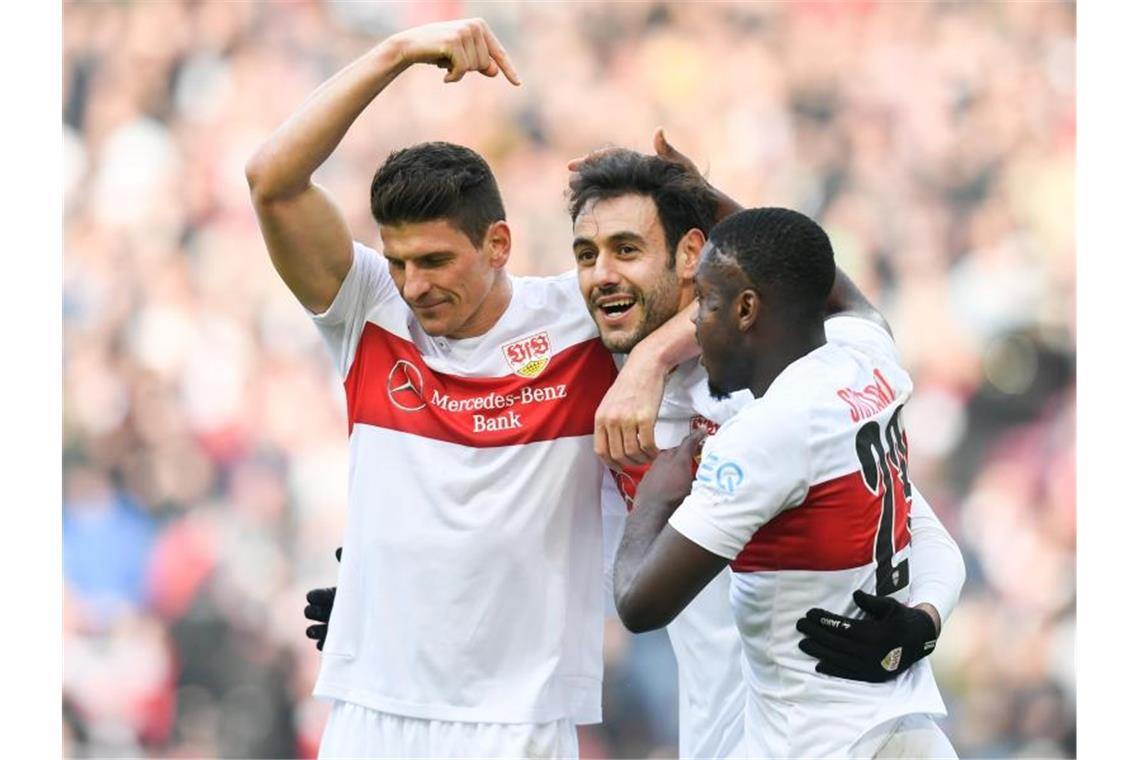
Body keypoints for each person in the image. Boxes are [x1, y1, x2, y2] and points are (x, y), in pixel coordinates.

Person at [307, 138, 965, 759]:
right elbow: (512, 526)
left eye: (626, 249)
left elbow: (919, 524)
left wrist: (924, 622)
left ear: (692, 257)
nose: (600, 275)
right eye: (586, 254)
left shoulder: (762, 393)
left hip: (820, 732)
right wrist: (390, 599)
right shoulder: (597, 380)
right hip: (738, 733)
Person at [246, 18, 695, 759]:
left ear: (498, 244)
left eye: (434, 260)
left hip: (519, 721)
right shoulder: (368, 314)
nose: (414, 286)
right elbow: (271, 179)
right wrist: (394, 54)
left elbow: (740, 295)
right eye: (397, 260)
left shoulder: (581, 321)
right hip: (371, 708)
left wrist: (649, 361)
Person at [613, 206, 958, 758]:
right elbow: (836, 287)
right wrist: (926, 620)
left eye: (706, 301)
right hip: (906, 734)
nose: (695, 323)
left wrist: (652, 499)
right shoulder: (869, 362)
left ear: (747, 307)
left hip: (815, 743)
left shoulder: (765, 436)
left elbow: (637, 605)